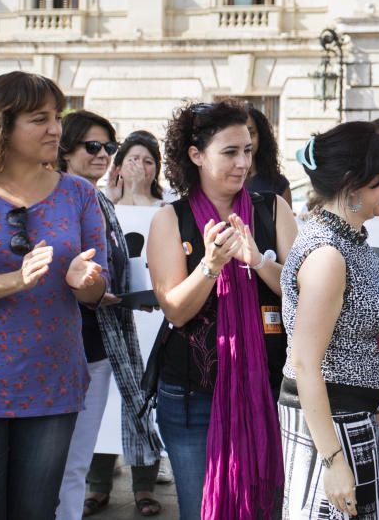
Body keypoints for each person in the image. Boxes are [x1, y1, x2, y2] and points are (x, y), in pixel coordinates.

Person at [146, 99, 297, 520]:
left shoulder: (273, 209)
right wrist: (210, 266)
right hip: (193, 396)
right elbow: (175, 310)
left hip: (269, 390)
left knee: (268, 507)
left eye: (247, 150)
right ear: (196, 155)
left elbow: (303, 294)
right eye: (229, 152)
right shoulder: (170, 220)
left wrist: (258, 261)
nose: (243, 163)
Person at [0, 71, 108, 520]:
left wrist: (86, 280)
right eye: (40, 118)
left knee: (38, 510)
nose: (56, 128)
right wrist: (15, 280)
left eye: (58, 117)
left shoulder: (77, 193)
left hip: (52, 382)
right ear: (3, 124)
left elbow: (99, 290)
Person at [278, 122, 379, 520]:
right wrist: (332, 461)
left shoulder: (346, 238)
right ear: (353, 183)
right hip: (332, 431)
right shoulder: (329, 254)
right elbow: (305, 362)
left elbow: (346, 338)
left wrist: (367, 398)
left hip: (346, 419)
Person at [54, 112, 164, 519]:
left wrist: (126, 295)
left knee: (75, 465)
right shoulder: (58, 197)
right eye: (92, 146)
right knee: (55, 464)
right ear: (65, 150)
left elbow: (108, 270)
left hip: (102, 344)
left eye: (109, 148)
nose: (103, 155)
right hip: (61, 346)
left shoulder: (97, 198)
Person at [246, 107, 293, 206]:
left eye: (251, 133)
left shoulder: (279, 185)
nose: (245, 141)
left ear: (261, 137)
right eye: (237, 134)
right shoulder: (215, 184)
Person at [107, 131, 165, 207]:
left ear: (156, 170)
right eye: (134, 159)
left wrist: (139, 195)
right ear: (119, 169)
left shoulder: (166, 208)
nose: (140, 166)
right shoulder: (108, 204)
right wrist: (110, 203)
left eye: (148, 162)